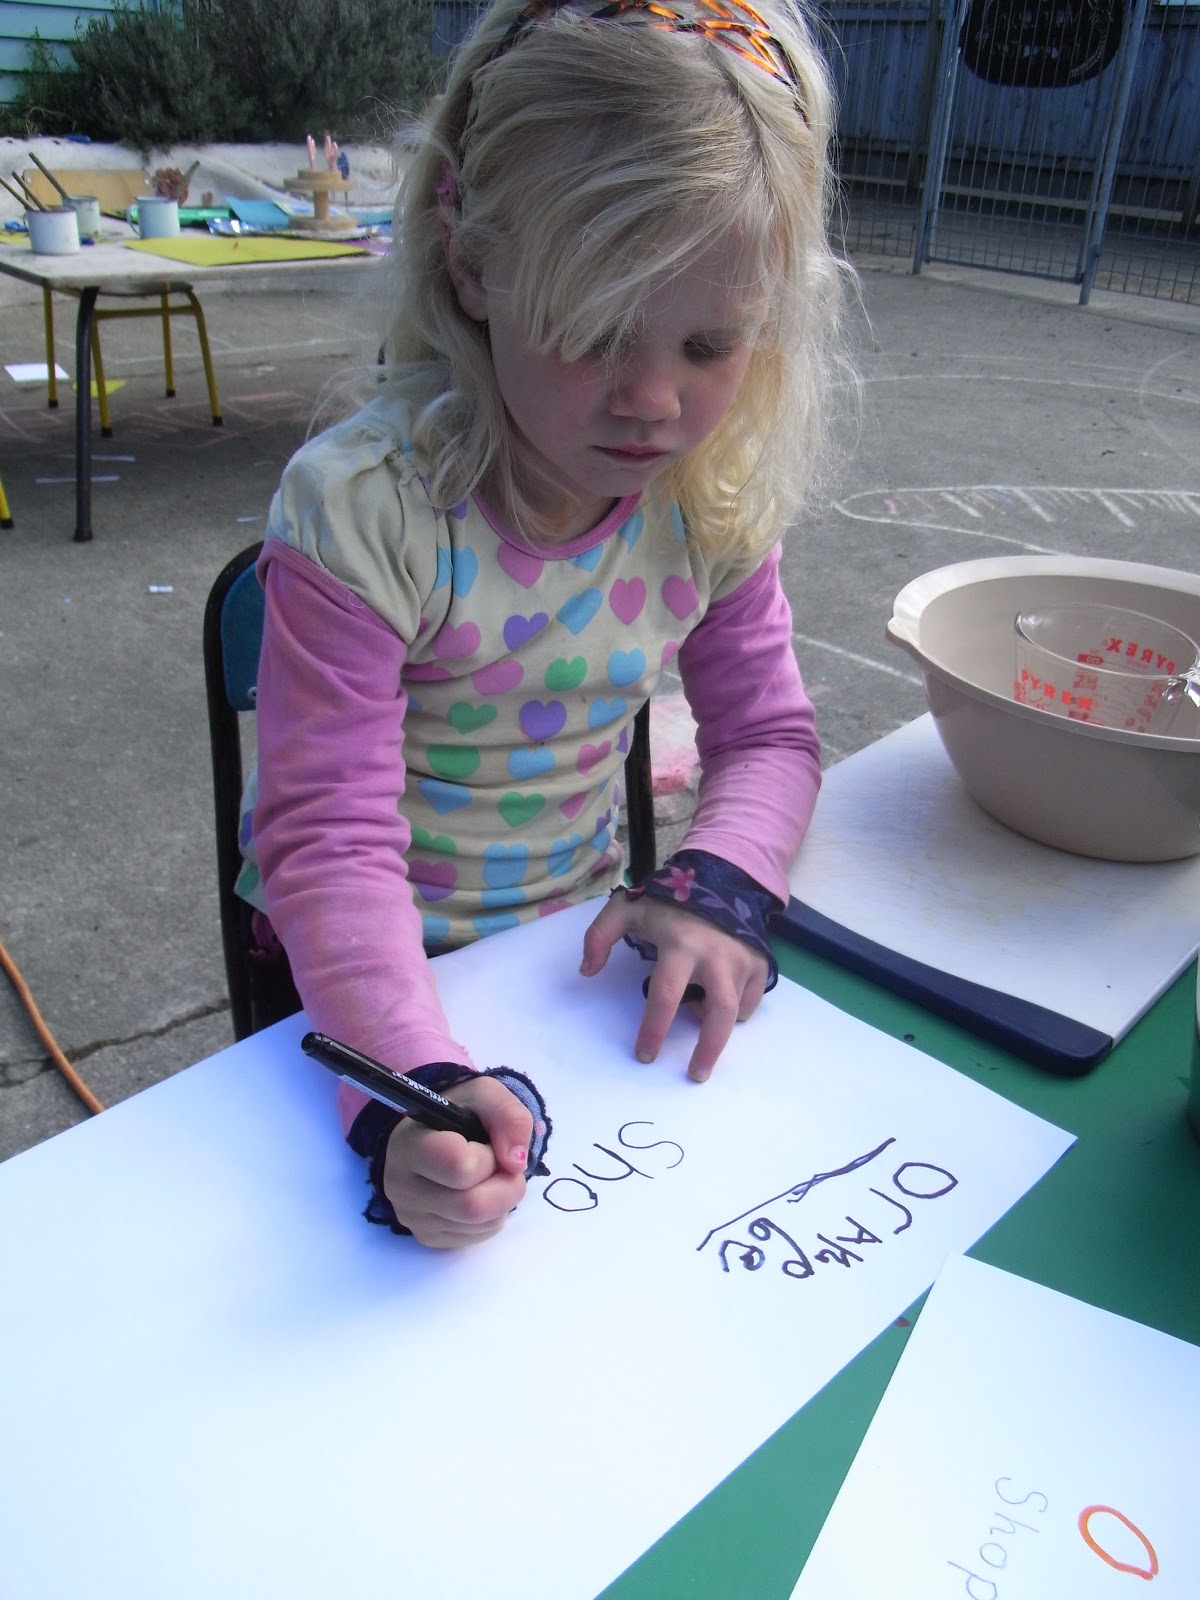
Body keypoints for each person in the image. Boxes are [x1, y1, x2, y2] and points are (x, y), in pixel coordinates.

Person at [237, 0, 853, 1248]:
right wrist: (404, 1085)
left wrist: (718, 888)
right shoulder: (368, 511)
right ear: (471, 260)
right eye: (594, 333)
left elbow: (768, 737)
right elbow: (326, 839)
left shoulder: (707, 494)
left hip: (562, 968)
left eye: (710, 342)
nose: (653, 400)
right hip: (344, 988)